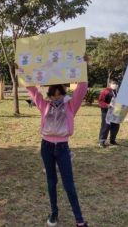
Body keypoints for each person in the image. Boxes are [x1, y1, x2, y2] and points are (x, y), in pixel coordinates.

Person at [27, 82, 88, 227]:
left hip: (62, 147)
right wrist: (23, 70)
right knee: (51, 182)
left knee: (68, 184)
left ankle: (79, 220)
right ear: (49, 96)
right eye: (53, 96)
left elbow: (82, 88)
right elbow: (32, 89)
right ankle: (54, 212)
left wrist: (83, 65)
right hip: (46, 146)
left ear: (64, 94)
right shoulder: (44, 105)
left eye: (59, 95)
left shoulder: (71, 106)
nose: (56, 98)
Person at [98, 79, 120, 147]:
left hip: (115, 112)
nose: (115, 85)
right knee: (106, 126)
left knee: (115, 125)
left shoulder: (116, 91)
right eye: (113, 83)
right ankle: (102, 141)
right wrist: (107, 105)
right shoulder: (105, 91)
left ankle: (112, 140)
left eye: (116, 83)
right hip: (106, 112)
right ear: (110, 83)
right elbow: (100, 101)